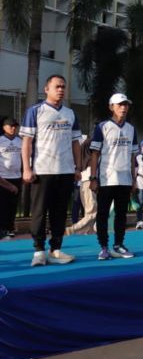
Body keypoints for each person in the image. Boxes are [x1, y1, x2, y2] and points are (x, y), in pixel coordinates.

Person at [21, 75, 82, 266]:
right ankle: (39, 250)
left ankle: (55, 249)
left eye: (63, 87)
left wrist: (78, 167)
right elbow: (27, 143)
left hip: (65, 171)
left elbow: (76, 143)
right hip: (42, 170)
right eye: (57, 87)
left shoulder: (70, 114)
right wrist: (27, 168)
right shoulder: (35, 111)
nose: (61, 90)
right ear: (46, 89)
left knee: (59, 213)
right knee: (39, 212)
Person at [88, 93, 139, 260]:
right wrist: (93, 178)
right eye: (119, 105)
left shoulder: (131, 129)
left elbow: (132, 156)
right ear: (111, 107)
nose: (123, 108)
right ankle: (104, 247)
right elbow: (94, 154)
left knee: (121, 214)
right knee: (102, 214)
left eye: (125, 105)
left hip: (125, 179)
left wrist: (134, 178)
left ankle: (118, 245)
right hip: (106, 178)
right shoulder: (102, 127)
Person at [0, 117, 22, 239]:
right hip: (3, 178)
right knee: (2, 204)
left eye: (15, 126)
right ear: (4, 127)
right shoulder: (0, 141)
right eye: (10, 126)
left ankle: (10, 227)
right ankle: (2, 228)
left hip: (16, 177)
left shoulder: (20, 141)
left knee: (13, 205)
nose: (13, 128)